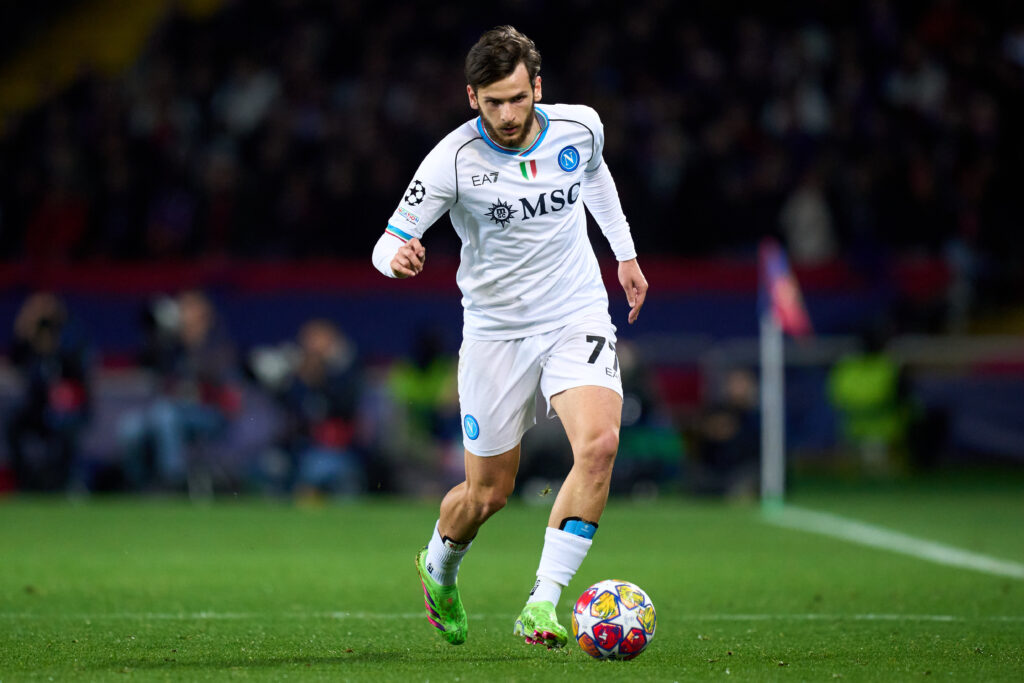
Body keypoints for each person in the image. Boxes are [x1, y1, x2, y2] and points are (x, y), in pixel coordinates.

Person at [370, 26, 648, 649]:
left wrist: (624, 255)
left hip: (575, 315)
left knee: (600, 444)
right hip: (497, 336)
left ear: (537, 88)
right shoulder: (454, 160)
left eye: (517, 99)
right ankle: (438, 567)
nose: (506, 114)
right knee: (488, 493)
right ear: (472, 97)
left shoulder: (581, 128)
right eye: (492, 102)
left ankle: (542, 603)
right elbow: (386, 242)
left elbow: (597, 177)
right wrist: (398, 259)